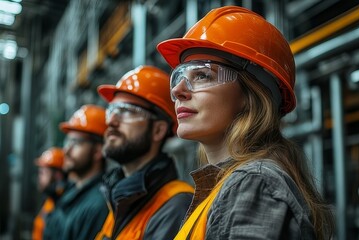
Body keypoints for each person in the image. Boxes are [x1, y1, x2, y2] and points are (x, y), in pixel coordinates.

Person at [157, 6, 334, 240]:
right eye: (179, 77)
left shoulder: (255, 185)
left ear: (251, 95)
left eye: (202, 75)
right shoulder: (231, 187)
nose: (178, 90)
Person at [95, 65, 194, 239]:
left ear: (158, 130)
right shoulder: (118, 198)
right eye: (111, 111)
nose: (111, 121)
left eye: (126, 111)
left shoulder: (175, 204)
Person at [43, 105, 109, 240]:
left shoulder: (98, 204)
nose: (66, 150)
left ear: (97, 151)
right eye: (67, 141)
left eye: (76, 142)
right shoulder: (70, 193)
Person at [32, 147, 69, 240]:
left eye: (42, 173)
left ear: (57, 175)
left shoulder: (63, 206)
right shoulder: (50, 200)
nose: (39, 177)